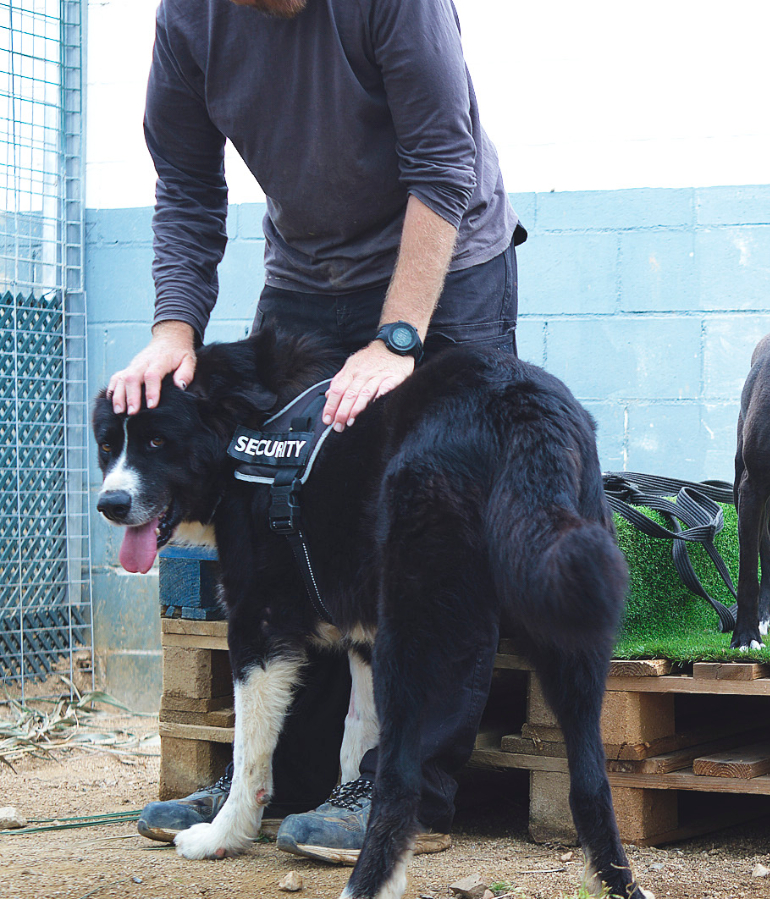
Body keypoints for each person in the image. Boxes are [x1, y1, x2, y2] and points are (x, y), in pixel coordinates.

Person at [115, 0, 522, 865]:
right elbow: (186, 184)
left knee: (434, 524)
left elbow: (442, 162)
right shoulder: (189, 18)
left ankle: (401, 787)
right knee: (282, 521)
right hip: (306, 275)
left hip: (447, 262)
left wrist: (398, 336)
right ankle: (279, 783)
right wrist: (174, 327)